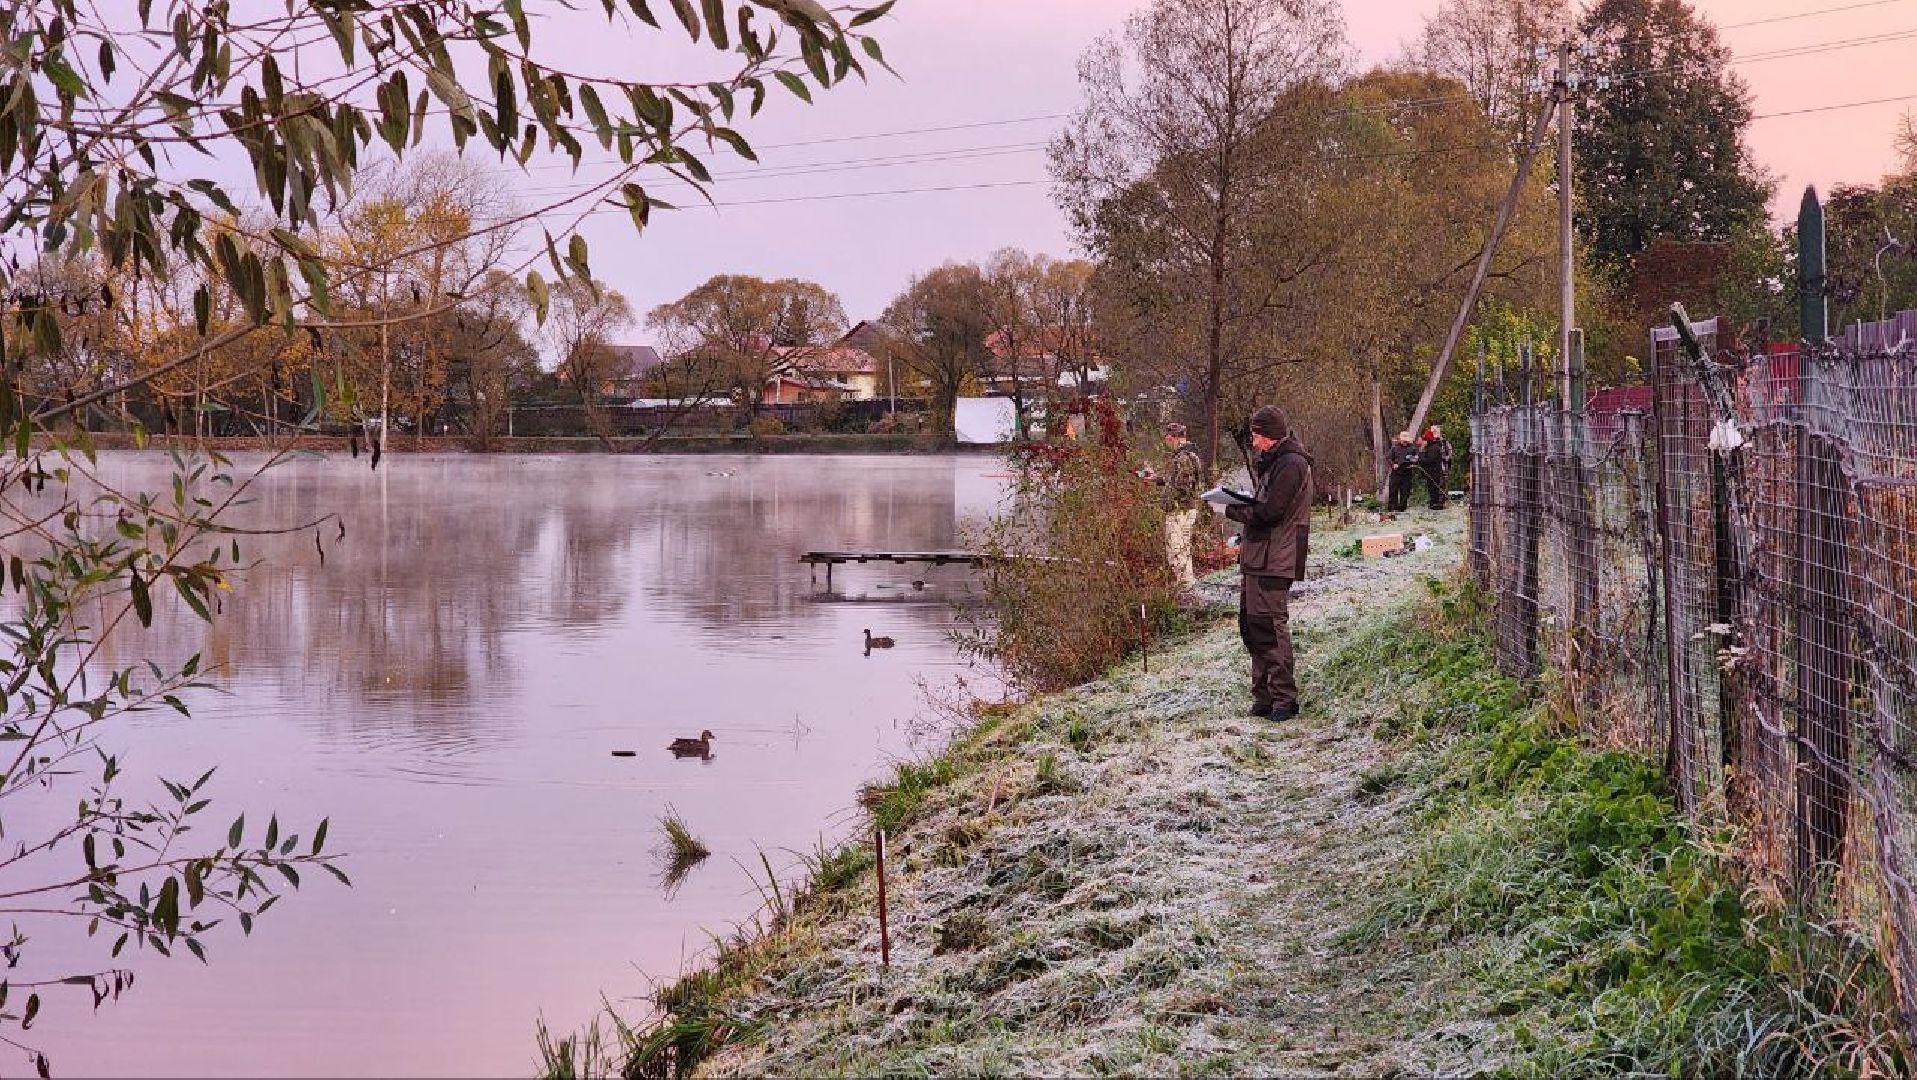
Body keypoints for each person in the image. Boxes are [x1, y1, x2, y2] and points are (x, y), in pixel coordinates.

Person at [1226, 405, 1313, 722]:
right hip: (1259, 557)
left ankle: (1284, 700)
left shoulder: (1291, 464)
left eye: (1257, 436)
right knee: (1253, 627)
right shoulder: (1276, 463)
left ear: (1270, 435)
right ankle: (1263, 696)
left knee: (1271, 629)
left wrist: (1229, 509)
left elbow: (1270, 512)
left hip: (1275, 559)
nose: (1254, 442)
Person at [1148, 423, 1206, 602]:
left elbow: (1181, 487)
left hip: (1179, 510)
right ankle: (1188, 584)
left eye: (1167, 438)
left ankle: (1186, 588)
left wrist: (1166, 501)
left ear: (1172, 437)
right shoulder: (1190, 455)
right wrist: (1156, 478)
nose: (1166, 442)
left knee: (1175, 550)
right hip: (1188, 509)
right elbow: (1175, 481)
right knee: (1183, 549)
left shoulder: (1182, 458)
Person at [1418, 425, 1453, 510]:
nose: (1435, 432)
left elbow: (1449, 454)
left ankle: (1440, 502)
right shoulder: (1428, 443)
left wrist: (1443, 458)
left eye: (1436, 431)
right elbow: (1423, 453)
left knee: (1442, 484)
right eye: (1433, 431)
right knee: (1433, 485)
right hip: (1432, 468)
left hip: (1442, 466)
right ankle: (1434, 502)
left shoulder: (1444, 443)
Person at [1384, 430, 1419, 513]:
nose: (1404, 442)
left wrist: (1413, 462)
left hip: (1407, 471)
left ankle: (1402, 507)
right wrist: (1393, 464)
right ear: (1400, 439)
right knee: (1393, 490)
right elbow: (1389, 458)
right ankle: (1392, 507)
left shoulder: (1412, 448)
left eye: (1406, 440)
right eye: (1403, 440)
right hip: (1396, 471)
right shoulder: (1395, 447)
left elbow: (1416, 458)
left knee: (1405, 491)